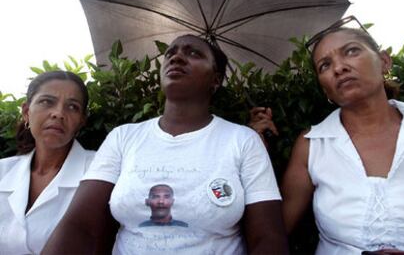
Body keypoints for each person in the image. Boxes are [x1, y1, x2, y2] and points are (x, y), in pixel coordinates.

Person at [42, 34, 289, 254]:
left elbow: (268, 238)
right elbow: (80, 226)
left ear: (215, 80)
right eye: (170, 53)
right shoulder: (124, 137)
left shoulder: (243, 140)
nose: (177, 57)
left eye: (194, 53)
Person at [249, 16, 404, 254]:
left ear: (384, 62)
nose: (339, 68)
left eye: (351, 51)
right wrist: (255, 148)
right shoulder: (311, 144)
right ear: (324, 87)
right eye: (325, 65)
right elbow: (275, 232)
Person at [0, 71, 95, 254]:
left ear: (82, 120)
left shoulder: (100, 171)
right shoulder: (3, 170)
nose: (58, 113)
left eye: (72, 107)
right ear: (27, 112)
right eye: (47, 102)